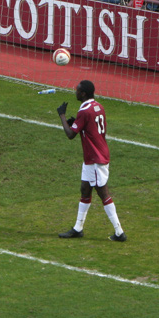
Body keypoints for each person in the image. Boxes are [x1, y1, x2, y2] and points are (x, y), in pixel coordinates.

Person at [56, 80, 126, 241]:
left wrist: (62, 116)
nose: (75, 92)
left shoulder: (84, 111)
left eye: (77, 90)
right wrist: (76, 124)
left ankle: (119, 232)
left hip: (95, 157)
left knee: (103, 193)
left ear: (83, 94)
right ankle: (78, 228)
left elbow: (70, 135)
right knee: (85, 189)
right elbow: (92, 128)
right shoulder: (98, 107)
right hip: (95, 155)